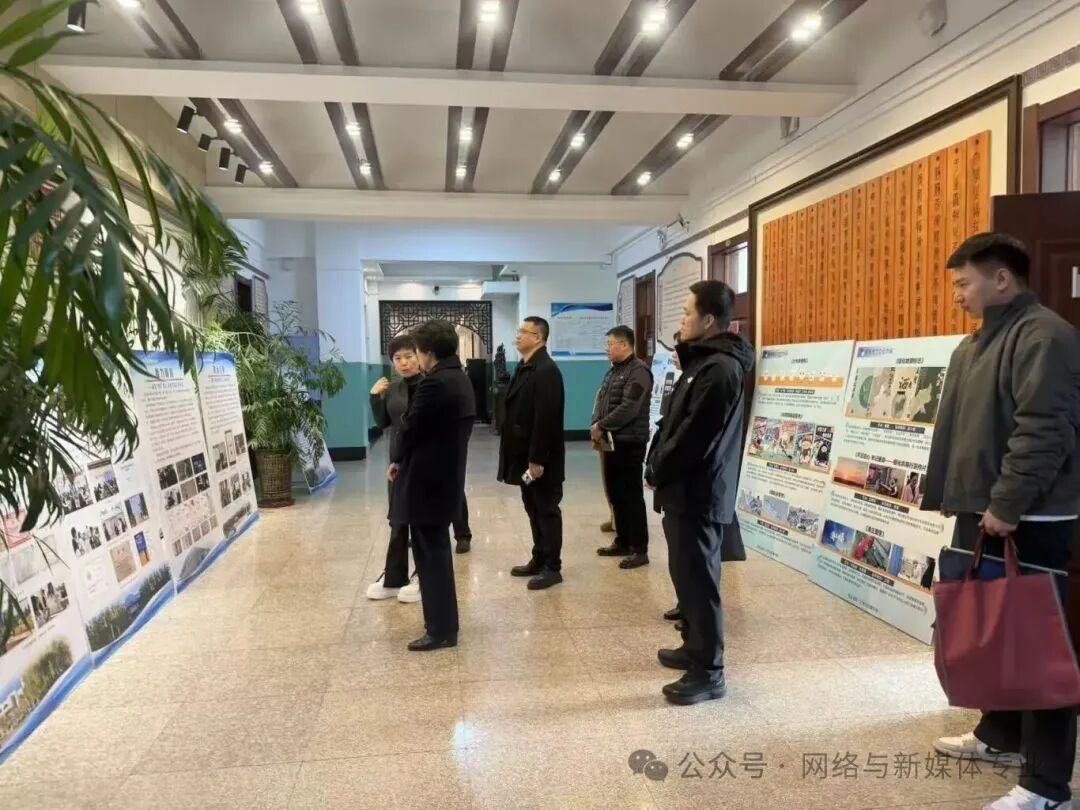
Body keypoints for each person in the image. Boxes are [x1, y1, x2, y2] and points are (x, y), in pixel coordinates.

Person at [922, 233, 1080, 810]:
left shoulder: (1045, 337)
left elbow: (1044, 431)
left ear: (1002, 280)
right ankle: (1001, 733)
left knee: (1037, 644)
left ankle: (1046, 785)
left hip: (1028, 515)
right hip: (982, 510)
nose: (957, 295)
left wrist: (1008, 504)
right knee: (993, 629)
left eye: (964, 283)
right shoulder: (975, 344)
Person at [646, 281, 754, 705]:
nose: (681, 320)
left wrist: (659, 467)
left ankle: (709, 672)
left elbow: (695, 438)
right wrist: (657, 464)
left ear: (709, 320)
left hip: (700, 492)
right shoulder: (701, 363)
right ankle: (693, 647)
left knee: (701, 583)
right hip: (683, 490)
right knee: (685, 577)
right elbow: (672, 422)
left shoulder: (720, 369)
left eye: (687, 312)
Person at [388, 320, 476, 651]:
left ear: (427, 352)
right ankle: (443, 624)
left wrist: (397, 457)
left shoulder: (434, 383)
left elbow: (410, 428)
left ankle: (440, 630)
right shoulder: (460, 377)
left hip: (427, 481)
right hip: (444, 478)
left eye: (416, 352)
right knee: (435, 553)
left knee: (431, 557)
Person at [499, 316, 566, 590]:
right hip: (523, 456)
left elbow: (546, 419)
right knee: (533, 508)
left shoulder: (546, 370)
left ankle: (552, 567)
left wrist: (537, 459)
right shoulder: (525, 366)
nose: (518, 336)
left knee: (546, 510)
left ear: (538, 337)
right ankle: (539, 558)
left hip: (541, 460)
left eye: (523, 332)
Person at [367, 334, 423, 603]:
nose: (404, 363)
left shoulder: (430, 385)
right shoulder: (393, 387)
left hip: (422, 460)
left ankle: (423, 575)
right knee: (398, 519)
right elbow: (383, 423)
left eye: (409, 356)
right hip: (397, 462)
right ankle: (393, 577)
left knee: (422, 521)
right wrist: (374, 397)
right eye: (398, 358)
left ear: (419, 356)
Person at [593, 325, 653, 569]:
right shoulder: (614, 371)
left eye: (610, 344)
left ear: (625, 345)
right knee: (616, 493)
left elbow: (630, 407)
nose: (607, 349)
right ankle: (623, 541)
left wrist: (602, 424)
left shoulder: (639, 372)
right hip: (612, 442)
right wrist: (596, 423)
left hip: (630, 442)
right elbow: (602, 401)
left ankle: (639, 549)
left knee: (631, 496)